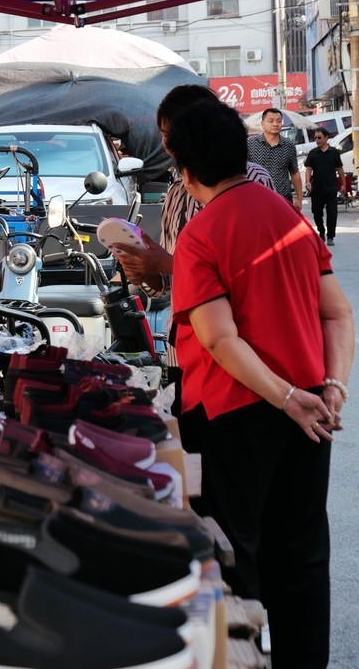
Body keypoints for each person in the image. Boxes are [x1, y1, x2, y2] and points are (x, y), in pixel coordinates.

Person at [166, 99, 353, 669]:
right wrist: (330, 387)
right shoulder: (290, 218)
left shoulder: (202, 234)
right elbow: (339, 312)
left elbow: (220, 340)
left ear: (184, 169)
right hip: (307, 407)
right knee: (301, 543)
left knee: (235, 546)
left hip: (238, 409)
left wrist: (290, 397)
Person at [112, 85, 273, 436]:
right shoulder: (175, 192)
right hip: (183, 353)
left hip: (240, 356)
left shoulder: (252, 183)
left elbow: (247, 274)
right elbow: (166, 287)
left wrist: (166, 263)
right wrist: (146, 268)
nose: (169, 146)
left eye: (173, 135)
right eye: (166, 136)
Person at [246, 107, 302, 208]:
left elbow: (294, 172)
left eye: (278, 121)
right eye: (271, 121)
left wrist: (299, 199)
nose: (275, 124)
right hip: (257, 199)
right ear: (262, 123)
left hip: (283, 198)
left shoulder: (289, 145)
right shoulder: (250, 143)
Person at [304, 128, 344, 246]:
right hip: (317, 189)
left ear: (326, 137)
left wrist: (343, 184)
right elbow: (308, 169)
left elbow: (340, 169)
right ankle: (321, 231)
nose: (317, 140)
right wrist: (307, 181)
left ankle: (330, 236)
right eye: (315, 138)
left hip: (331, 188)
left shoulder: (334, 153)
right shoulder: (313, 153)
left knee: (332, 213)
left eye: (319, 138)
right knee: (316, 213)